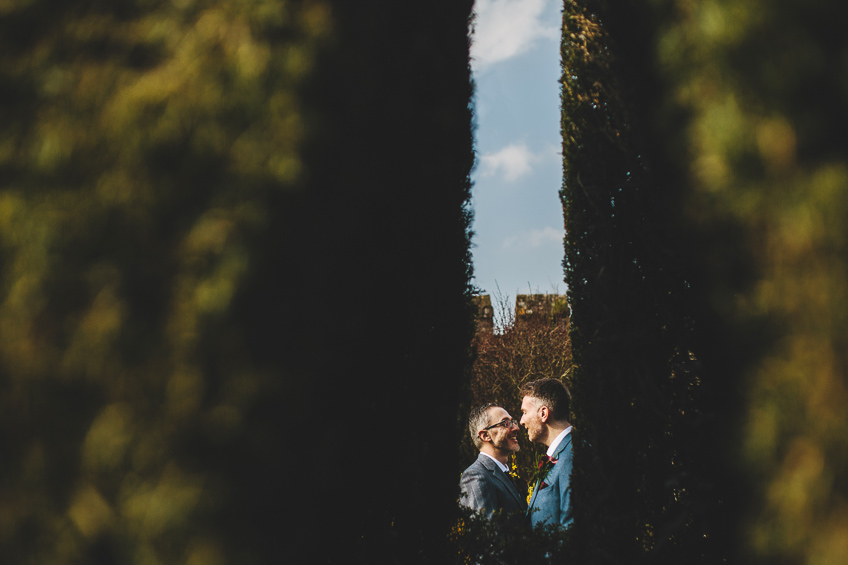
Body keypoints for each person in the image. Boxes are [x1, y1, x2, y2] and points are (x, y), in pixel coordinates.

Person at [520, 378, 573, 529]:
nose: (521, 421)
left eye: (524, 412)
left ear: (543, 413)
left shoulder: (571, 456)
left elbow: (571, 526)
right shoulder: (559, 454)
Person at [459, 403, 527, 520]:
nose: (516, 428)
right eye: (506, 423)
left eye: (513, 421)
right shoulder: (476, 476)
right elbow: (487, 535)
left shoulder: (504, 473)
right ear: (485, 435)